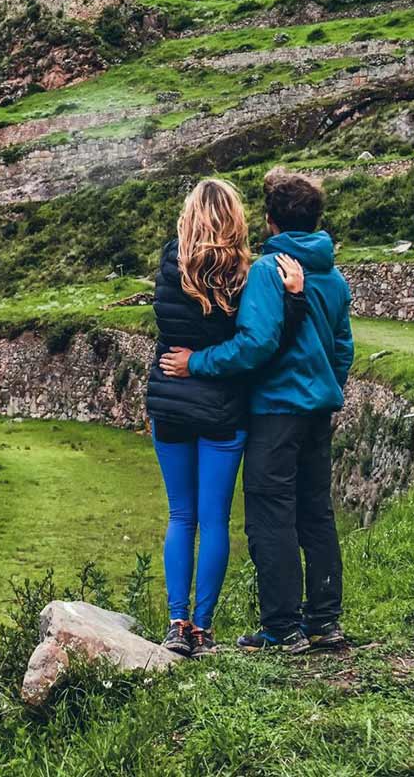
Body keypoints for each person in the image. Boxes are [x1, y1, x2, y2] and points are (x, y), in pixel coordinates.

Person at [161, 169, 354, 654]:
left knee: (270, 517)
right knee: (317, 513)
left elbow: (255, 344)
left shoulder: (269, 272)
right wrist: (328, 387)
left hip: (275, 410)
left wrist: (197, 362)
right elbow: (342, 347)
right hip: (318, 411)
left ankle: (283, 627)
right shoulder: (332, 275)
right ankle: (326, 622)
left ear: (269, 221)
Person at [147, 179, 306, 659]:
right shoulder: (246, 274)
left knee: (181, 514)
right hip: (223, 409)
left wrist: (188, 358)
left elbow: (169, 327)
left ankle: (176, 623)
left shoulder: (168, 264)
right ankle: (202, 627)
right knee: (215, 520)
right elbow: (263, 340)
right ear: (235, 218)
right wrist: (293, 302)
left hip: (171, 399)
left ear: (190, 215)